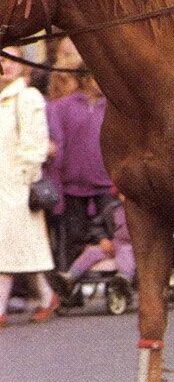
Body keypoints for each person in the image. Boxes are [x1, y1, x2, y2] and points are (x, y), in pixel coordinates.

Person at [0, 52, 58, 325]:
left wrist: (26, 177)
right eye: (2, 60)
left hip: (18, 187)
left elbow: (36, 142)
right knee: (22, 250)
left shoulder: (28, 97)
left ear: (24, 65)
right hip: (2, 185)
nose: (5, 65)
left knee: (9, 250)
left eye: (12, 60)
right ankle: (47, 297)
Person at [44, 44, 112, 270]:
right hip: (73, 186)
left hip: (106, 184)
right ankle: (71, 284)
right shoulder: (62, 107)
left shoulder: (112, 108)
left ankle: (120, 281)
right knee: (74, 236)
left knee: (114, 233)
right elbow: (57, 143)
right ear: (86, 78)